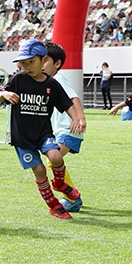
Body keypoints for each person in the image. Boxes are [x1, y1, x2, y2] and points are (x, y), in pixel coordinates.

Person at [0, 39, 83, 219]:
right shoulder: (18, 79)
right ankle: (54, 205)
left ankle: (59, 183)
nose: (27, 67)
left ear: (43, 60)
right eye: (23, 63)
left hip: (43, 133)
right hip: (22, 138)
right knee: (40, 171)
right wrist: (5, 94)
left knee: (56, 156)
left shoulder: (52, 84)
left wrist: (76, 118)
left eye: (31, 62)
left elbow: (66, 103)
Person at [43, 42, 87, 212]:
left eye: (45, 60)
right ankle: (71, 195)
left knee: (52, 159)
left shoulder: (59, 80)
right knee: (52, 160)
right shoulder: (47, 82)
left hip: (69, 129)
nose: (41, 64)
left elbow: (74, 98)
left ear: (57, 64)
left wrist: (81, 119)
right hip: (60, 130)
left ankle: (71, 197)